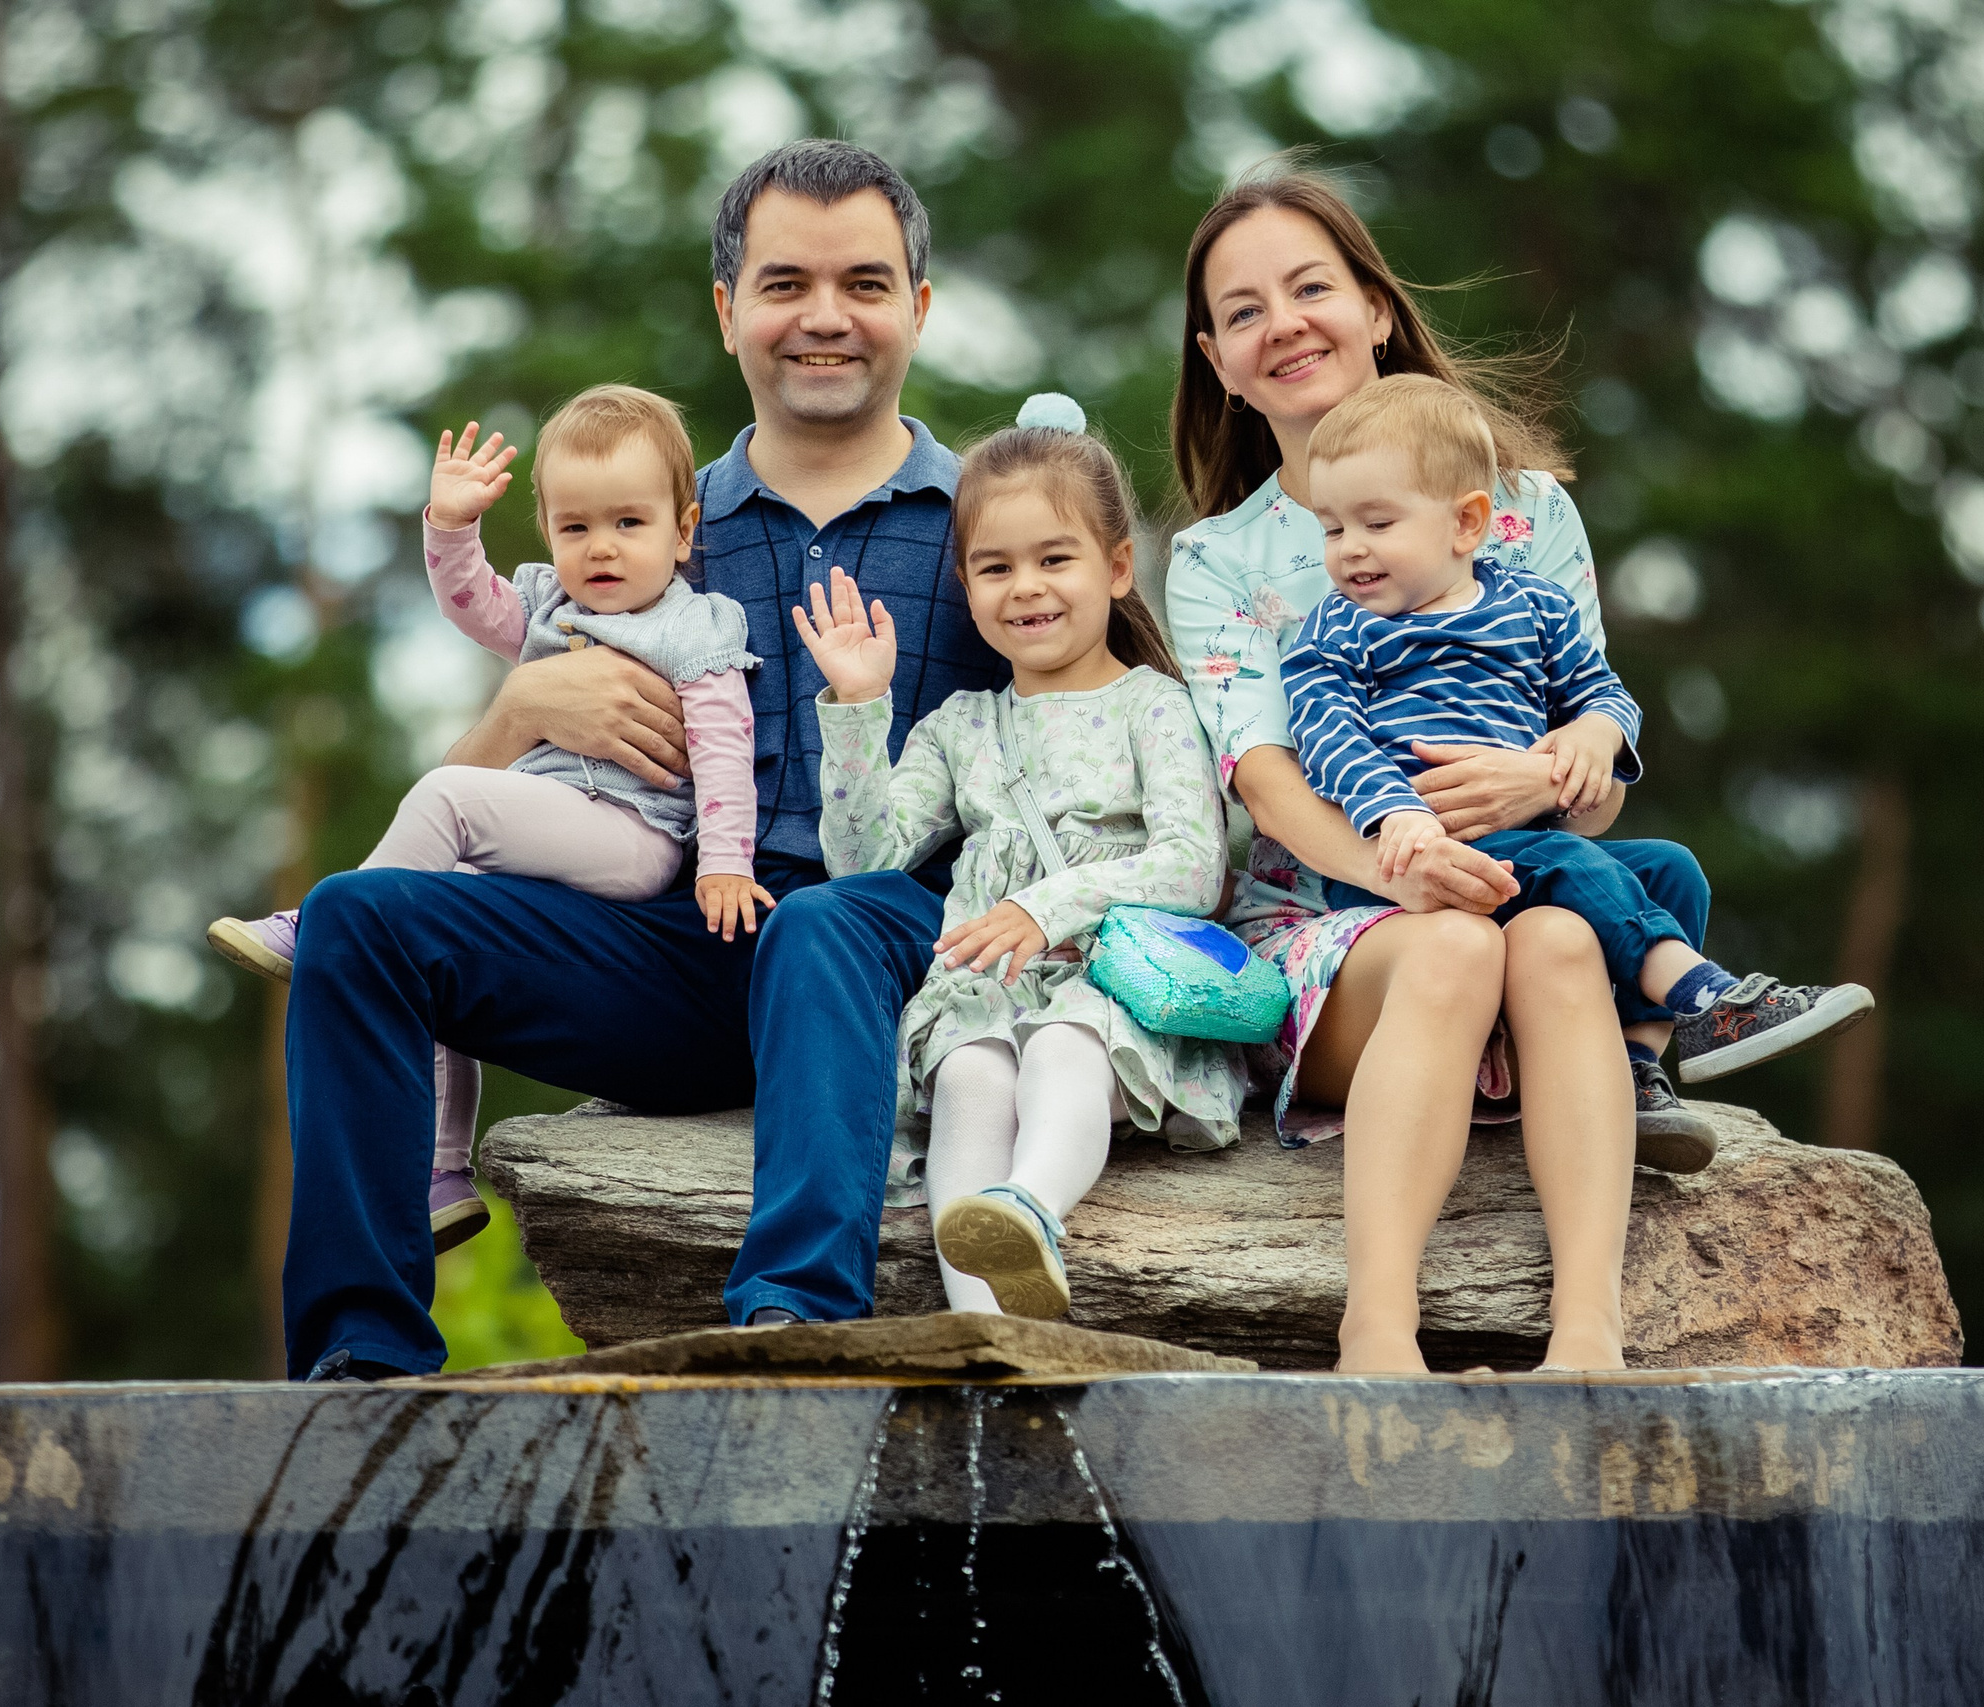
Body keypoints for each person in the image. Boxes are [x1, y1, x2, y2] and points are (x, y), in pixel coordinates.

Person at [273, 140, 1004, 1382]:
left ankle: (793, 1320)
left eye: (865, 284)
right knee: (358, 917)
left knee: (822, 921)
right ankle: (359, 1353)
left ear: (918, 311)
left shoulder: (1000, 523)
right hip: (673, 954)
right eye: (784, 284)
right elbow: (469, 802)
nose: (824, 317)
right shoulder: (648, 525)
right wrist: (520, 712)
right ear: (727, 313)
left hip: (897, 955)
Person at [1163, 163, 1680, 1373]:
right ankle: (1376, 1333)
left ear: (1377, 307)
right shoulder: (1216, 561)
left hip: (1521, 883)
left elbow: (1590, 744)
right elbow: (1266, 778)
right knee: (1456, 945)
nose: (1281, 324)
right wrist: (1400, 871)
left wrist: (1554, 778)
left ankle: (1588, 1338)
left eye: (1309, 287)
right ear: (1220, 360)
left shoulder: (1524, 510)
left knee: (1551, 940)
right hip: (1337, 916)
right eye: (1243, 312)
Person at [205, 385, 769, 1257]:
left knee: (444, 798)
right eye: (577, 527)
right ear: (547, 530)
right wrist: (450, 526)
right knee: (434, 924)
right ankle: (440, 1170)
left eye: (629, 523)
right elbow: (473, 604)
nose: (603, 548)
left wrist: (724, 862)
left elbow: (727, 749)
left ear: (683, 529)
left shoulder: (695, 626)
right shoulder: (550, 608)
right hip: (554, 822)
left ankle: (323, 921)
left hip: (632, 836)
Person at [1285, 373, 1875, 1099]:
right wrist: (1395, 811)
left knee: (1671, 868)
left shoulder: (1534, 606)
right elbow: (1326, 731)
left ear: (1466, 524)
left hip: (1524, 843)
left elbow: (1602, 693)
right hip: (1408, 864)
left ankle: (1634, 1065)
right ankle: (1706, 1000)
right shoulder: (1335, 628)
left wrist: (1596, 736)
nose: (1349, 550)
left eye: (1377, 524)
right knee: (1570, 858)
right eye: (1332, 528)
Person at [794, 399, 1240, 1319]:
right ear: (966, 583)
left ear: (1118, 568)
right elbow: (862, 862)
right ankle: (983, 1321)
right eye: (996, 567)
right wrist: (855, 705)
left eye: (1054, 558)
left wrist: (1049, 907)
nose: (1026, 586)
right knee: (967, 1077)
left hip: (1113, 989)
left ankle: (1029, 1205)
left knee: (1062, 1052)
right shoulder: (961, 726)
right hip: (989, 988)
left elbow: (1194, 866)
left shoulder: (1155, 707)